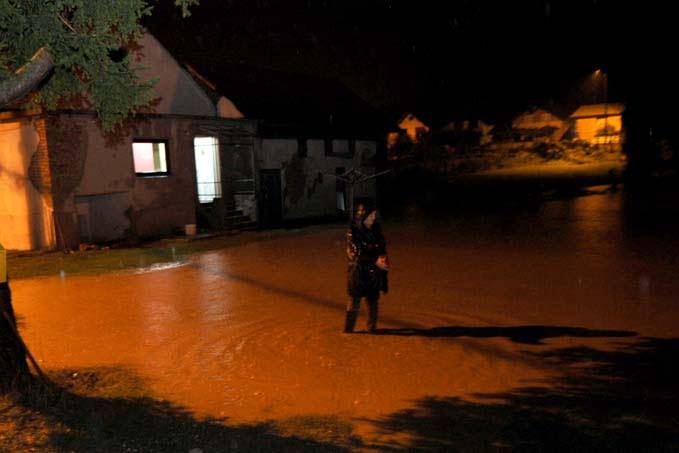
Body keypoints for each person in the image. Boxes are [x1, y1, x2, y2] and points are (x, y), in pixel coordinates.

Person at [343, 202, 389, 333]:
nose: (374, 217)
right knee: (354, 302)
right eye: (372, 214)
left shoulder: (377, 231)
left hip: (373, 274)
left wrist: (384, 279)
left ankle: (372, 330)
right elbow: (356, 254)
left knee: (373, 302)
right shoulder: (354, 231)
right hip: (357, 273)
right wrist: (375, 260)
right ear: (364, 215)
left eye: (375, 214)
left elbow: (383, 252)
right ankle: (348, 331)